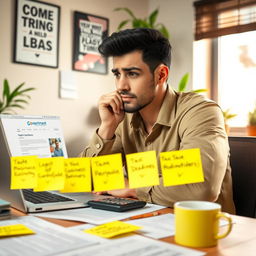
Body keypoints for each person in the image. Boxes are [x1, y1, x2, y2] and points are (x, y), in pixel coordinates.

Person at [80, 28, 235, 214]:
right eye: (117, 74)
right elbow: (86, 181)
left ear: (161, 75)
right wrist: (107, 127)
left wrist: (133, 188)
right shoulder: (123, 117)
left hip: (205, 231)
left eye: (132, 74)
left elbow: (201, 189)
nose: (121, 85)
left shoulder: (200, 112)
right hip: (147, 221)